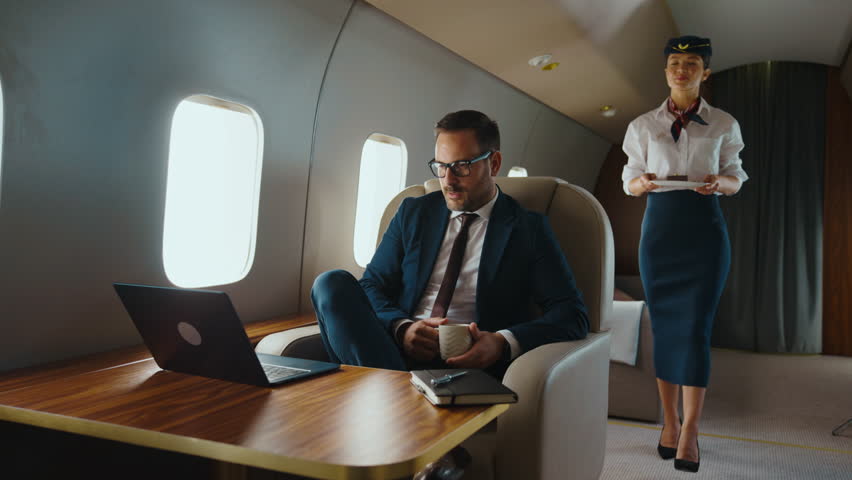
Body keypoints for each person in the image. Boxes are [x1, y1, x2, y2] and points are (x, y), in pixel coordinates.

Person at [312, 110, 588, 379]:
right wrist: (403, 327)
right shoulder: (414, 213)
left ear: (493, 163)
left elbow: (571, 314)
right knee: (330, 283)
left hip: (469, 366)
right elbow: (372, 284)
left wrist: (502, 342)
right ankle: (393, 397)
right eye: (441, 166)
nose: (448, 180)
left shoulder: (527, 228)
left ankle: (386, 401)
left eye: (461, 166)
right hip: (395, 355)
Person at [621, 36, 748, 473]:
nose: (681, 69)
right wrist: (642, 184)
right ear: (666, 70)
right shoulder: (642, 125)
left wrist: (721, 183)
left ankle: (691, 430)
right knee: (666, 329)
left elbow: (736, 176)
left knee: (695, 329)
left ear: (704, 72)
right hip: (660, 232)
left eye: (691, 62)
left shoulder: (724, 123)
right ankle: (669, 423)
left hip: (704, 231)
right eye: (674, 62)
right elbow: (630, 176)